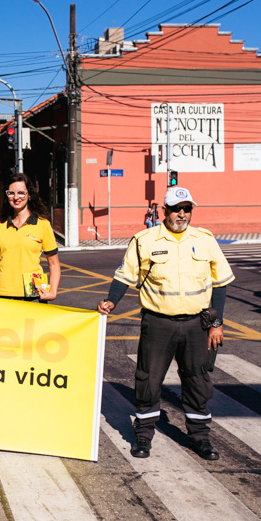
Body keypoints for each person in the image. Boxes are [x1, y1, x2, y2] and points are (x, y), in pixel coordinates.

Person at [97, 186, 234, 461]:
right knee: (148, 381)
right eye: (175, 209)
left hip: (197, 325)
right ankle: (143, 437)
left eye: (187, 209)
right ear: (164, 211)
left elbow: (220, 284)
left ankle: (200, 439)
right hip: (158, 324)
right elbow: (125, 275)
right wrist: (111, 301)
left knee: (198, 382)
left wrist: (217, 323)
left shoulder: (205, 239)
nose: (181, 214)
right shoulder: (144, 240)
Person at [0, 173, 60, 302]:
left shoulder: (43, 225)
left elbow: (53, 264)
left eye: (21, 193)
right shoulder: (0, 226)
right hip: (1, 295)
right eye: (11, 193)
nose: (16, 197)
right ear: (6, 195)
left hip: (32, 294)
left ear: (29, 195)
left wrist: (52, 291)